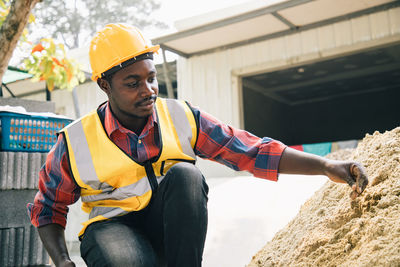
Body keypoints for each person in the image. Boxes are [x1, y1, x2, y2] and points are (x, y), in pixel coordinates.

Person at [27, 23, 368, 267]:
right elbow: (47, 208)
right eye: (132, 83)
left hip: (169, 232)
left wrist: (324, 166)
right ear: (105, 85)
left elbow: (251, 150)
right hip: (112, 231)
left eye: (151, 78)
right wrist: (62, 261)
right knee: (127, 260)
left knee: (186, 176)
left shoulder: (180, 116)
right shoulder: (74, 141)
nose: (148, 90)